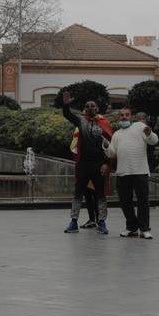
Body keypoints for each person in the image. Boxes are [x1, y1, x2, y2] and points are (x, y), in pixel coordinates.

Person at [61, 91, 113, 234]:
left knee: (100, 194)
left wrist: (106, 163)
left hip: (98, 165)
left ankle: (102, 222)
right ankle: (73, 222)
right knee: (78, 194)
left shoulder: (104, 124)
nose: (90, 108)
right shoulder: (81, 121)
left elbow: (111, 145)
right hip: (83, 165)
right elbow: (68, 115)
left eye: (93, 106)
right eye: (87, 106)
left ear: (97, 109)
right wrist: (66, 105)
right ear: (85, 109)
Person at [104, 108, 159, 239]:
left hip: (140, 171)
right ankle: (131, 227)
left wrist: (150, 133)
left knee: (143, 201)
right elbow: (112, 153)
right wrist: (106, 146)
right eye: (121, 115)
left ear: (132, 117)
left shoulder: (140, 126)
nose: (124, 117)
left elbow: (154, 141)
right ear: (119, 118)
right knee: (125, 202)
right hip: (123, 172)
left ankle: (144, 229)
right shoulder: (117, 134)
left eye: (126, 115)